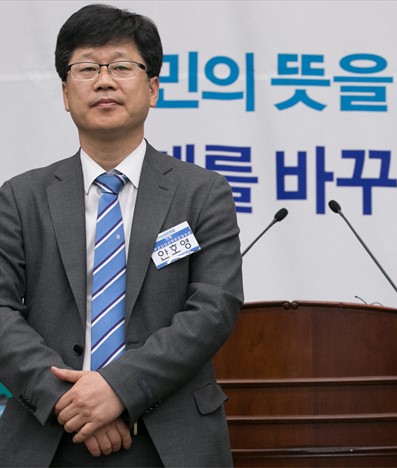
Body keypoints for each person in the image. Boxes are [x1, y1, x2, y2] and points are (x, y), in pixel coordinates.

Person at [0, 4, 243, 466]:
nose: (105, 81)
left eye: (122, 67)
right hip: (47, 437)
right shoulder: (20, 197)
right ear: (66, 93)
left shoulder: (202, 192)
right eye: (87, 68)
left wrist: (118, 389)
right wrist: (71, 402)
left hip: (171, 440)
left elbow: (214, 307)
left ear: (152, 89)